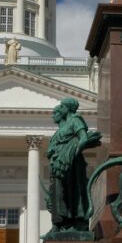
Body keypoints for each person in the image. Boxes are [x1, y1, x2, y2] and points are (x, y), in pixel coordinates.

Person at [45, 98, 100, 235]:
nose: (60, 107)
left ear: (68, 108)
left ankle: (75, 222)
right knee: (58, 193)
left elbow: (83, 138)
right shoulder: (64, 126)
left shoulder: (76, 120)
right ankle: (58, 224)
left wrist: (71, 152)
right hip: (59, 164)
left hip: (72, 163)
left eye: (62, 106)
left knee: (72, 192)